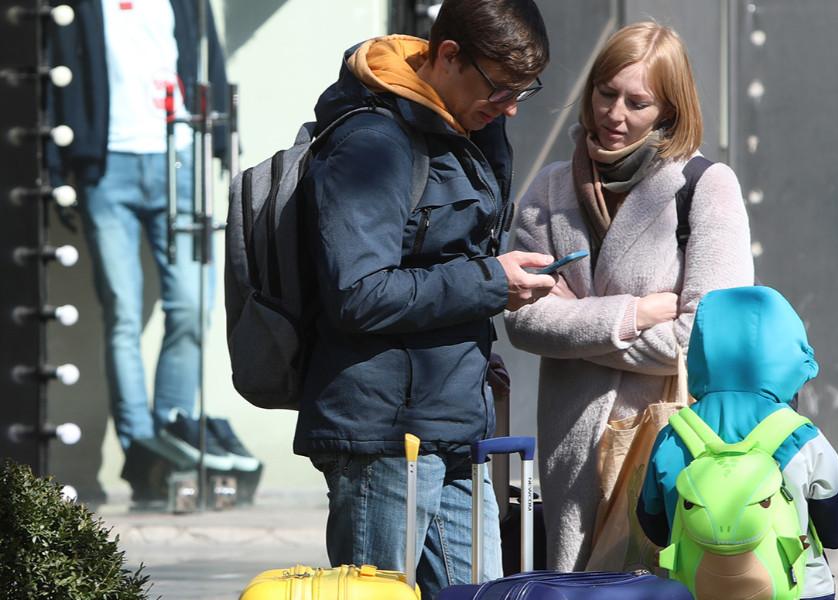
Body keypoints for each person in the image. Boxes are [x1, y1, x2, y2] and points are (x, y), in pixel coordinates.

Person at [295, 1, 554, 596]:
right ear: (449, 55)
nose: (512, 106)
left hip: (452, 421)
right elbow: (358, 293)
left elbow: (441, 261)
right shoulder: (371, 141)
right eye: (501, 88)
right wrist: (492, 283)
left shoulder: (470, 128)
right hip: (384, 437)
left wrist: (475, 342)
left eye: (524, 91)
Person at [503, 21, 755, 571]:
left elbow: (704, 342)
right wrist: (635, 313)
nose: (614, 114)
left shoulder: (705, 187)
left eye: (637, 103)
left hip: (666, 451)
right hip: (570, 453)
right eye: (605, 93)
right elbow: (522, 321)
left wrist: (574, 325)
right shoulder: (550, 188)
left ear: (670, 110)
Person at [48, 0, 258, 505]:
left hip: (177, 158)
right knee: (122, 310)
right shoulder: (78, 4)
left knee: (191, 305)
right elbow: (56, 79)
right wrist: (57, 171)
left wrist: (222, 141)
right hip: (106, 165)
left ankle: (173, 436)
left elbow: (208, 60)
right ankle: (143, 453)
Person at [637, 286, 838, 599]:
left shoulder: (674, 436)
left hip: (697, 589)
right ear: (787, 352)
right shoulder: (800, 436)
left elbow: (655, 528)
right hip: (800, 590)